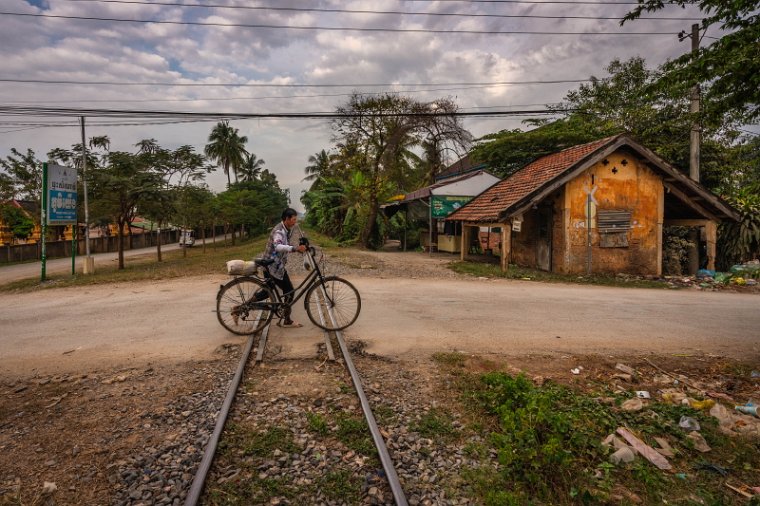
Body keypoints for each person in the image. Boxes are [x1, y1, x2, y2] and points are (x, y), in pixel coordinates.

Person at [261, 207, 307, 327]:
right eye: (293, 219)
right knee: (289, 291)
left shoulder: (287, 229)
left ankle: (239, 308)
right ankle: (286, 319)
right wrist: (295, 248)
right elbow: (278, 246)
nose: (295, 222)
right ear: (287, 219)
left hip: (276, 265)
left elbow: (285, 244)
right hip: (272, 266)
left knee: (267, 292)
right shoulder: (279, 231)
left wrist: (298, 248)